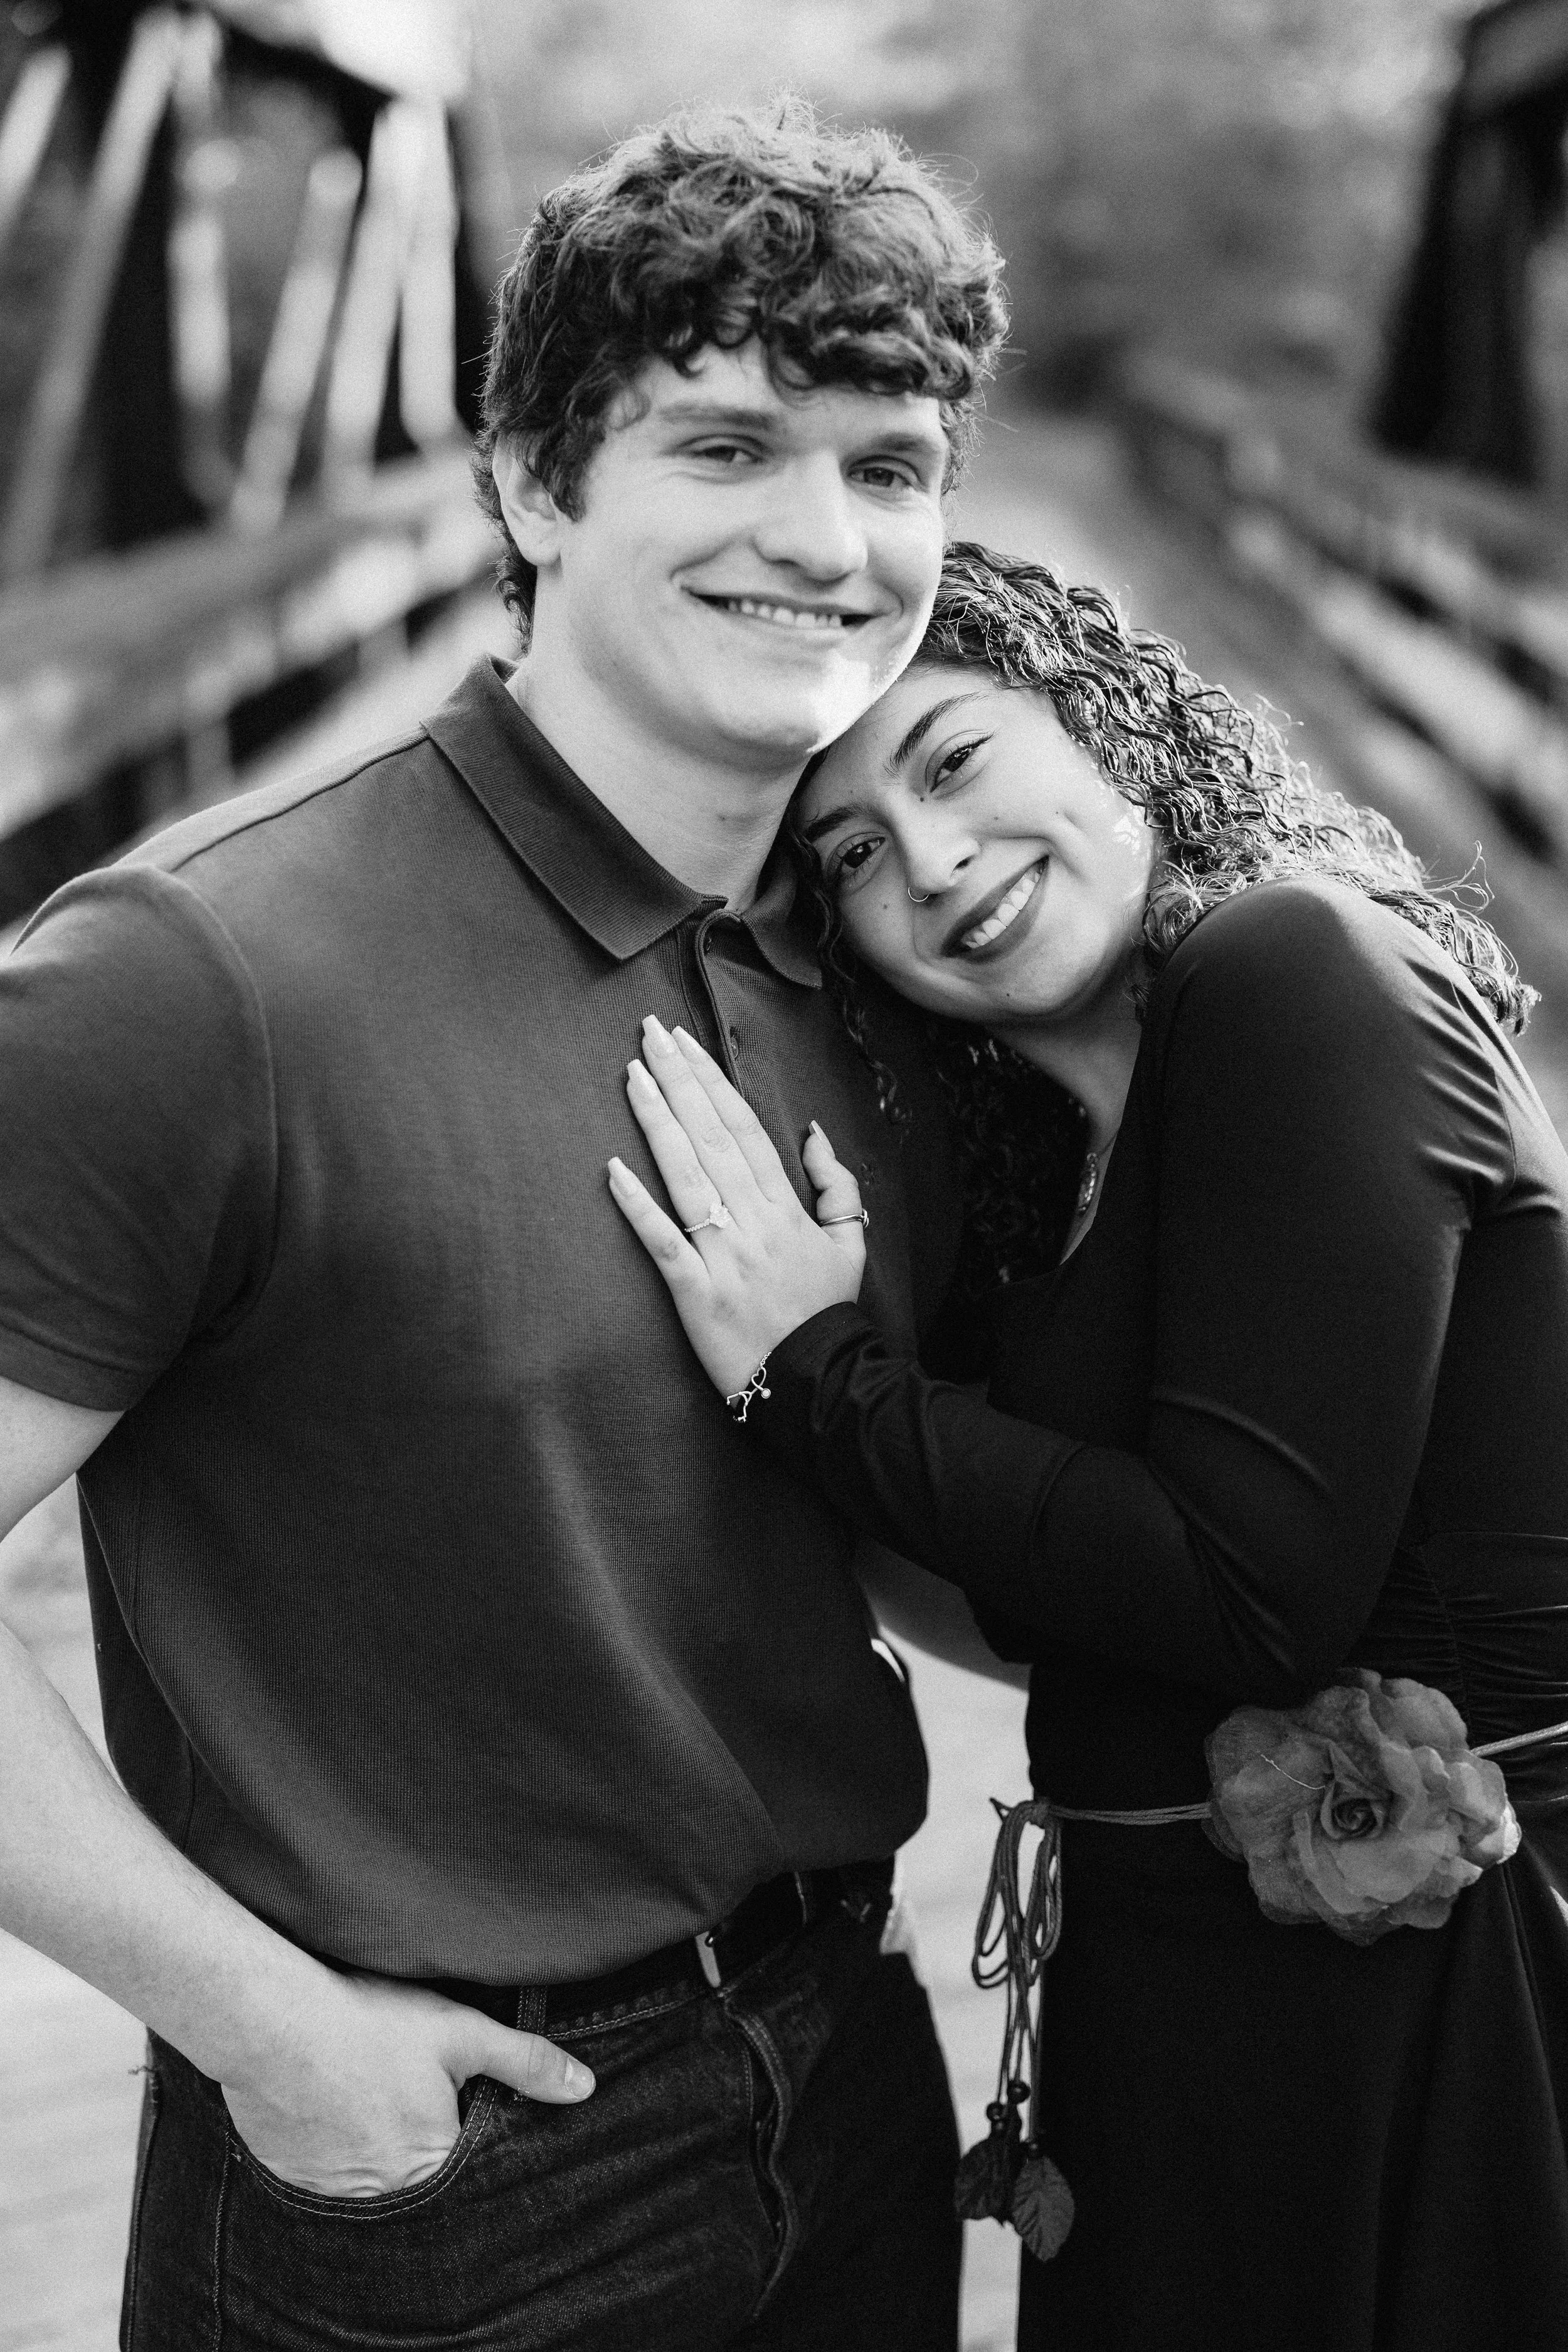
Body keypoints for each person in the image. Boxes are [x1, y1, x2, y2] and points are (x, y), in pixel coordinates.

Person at [0, 110, 1009, 2349]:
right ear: (537, 485)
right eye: (725, 447)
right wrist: (268, 2027)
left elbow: (882, 1535)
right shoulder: (203, 975)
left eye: (891, 465)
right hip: (438, 2175)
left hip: (852, 2074)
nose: (824, 538)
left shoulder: (879, 973)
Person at [610, 543, 1568, 2351]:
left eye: (955, 761)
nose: (931, 863)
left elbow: (1251, 1593)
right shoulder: (1060, 1184)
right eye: (852, 856)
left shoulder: (1296, 974)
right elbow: (1060, 1582)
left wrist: (812, 1378)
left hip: (1442, 2026)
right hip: (1187, 2024)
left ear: (1107, 720)